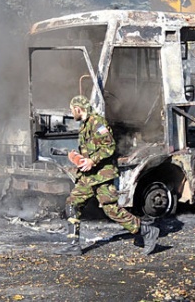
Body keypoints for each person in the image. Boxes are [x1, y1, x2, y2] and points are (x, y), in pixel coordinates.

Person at [58, 95, 159, 255]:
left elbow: (109, 146)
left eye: (72, 110)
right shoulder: (85, 125)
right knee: (72, 204)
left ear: (78, 109)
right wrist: (78, 157)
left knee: (110, 209)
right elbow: (92, 148)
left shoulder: (97, 123)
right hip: (89, 176)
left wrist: (92, 160)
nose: (71, 113)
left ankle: (146, 230)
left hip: (101, 175)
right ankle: (73, 245)